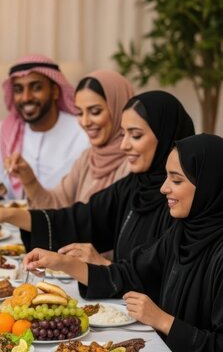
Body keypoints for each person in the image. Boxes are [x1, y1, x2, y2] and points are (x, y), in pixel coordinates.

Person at [23, 134, 223, 352]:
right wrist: (61, 262)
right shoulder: (182, 232)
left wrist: (162, 320)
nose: (163, 188)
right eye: (166, 177)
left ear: (209, 185)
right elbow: (131, 274)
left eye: (176, 180)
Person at [0, 91, 195, 265]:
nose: (124, 145)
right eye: (123, 134)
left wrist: (104, 266)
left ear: (166, 136)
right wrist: (6, 214)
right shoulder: (134, 187)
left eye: (135, 135)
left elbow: (169, 279)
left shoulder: (183, 199)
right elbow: (80, 219)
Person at [8, 70, 133, 208]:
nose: (85, 122)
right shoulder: (88, 159)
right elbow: (56, 204)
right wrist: (29, 179)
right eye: (79, 112)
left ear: (119, 109)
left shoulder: (133, 161)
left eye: (95, 112)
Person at [0, 54, 89, 201]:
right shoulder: (4, 132)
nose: (26, 97)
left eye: (36, 88)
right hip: (12, 220)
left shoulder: (81, 131)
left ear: (55, 91)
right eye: (18, 89)